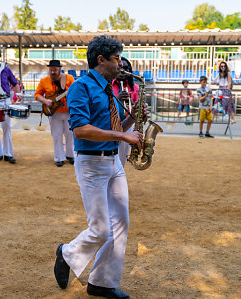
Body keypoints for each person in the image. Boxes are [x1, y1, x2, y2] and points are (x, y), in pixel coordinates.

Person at [53, 35, 144, 299]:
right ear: (101, 60)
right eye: (117, 58)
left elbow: (118, 128)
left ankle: (101, 282)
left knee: (121, 223)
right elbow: (81, 130)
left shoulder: (109, 89)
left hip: (113, 161)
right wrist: (123, 137)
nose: (121, 64)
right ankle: (66, 253)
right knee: (101, 229)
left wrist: (134, 115)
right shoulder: (81, 87)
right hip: (91, 164)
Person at [34, 60, 75, 167]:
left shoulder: (69, 78)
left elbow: (75, 91)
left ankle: (71, 155)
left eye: (55, 70)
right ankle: (59, 157)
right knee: (56, 135)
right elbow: (37, 95)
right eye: (51, 70)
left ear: (60, 69)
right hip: (54, 112)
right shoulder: (44, 81)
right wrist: (45, 101)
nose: (52, 72)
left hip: (68, 112)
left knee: (70, 134)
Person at [112, 57, 140, 166]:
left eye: (126, 68)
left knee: (122, 157)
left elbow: (137, 107)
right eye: (120, 67)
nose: (123, 71)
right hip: (112, 123)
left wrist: (132, 103)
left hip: (128, 124)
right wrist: (117, 98)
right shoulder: (109, 85)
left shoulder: (135, 88)